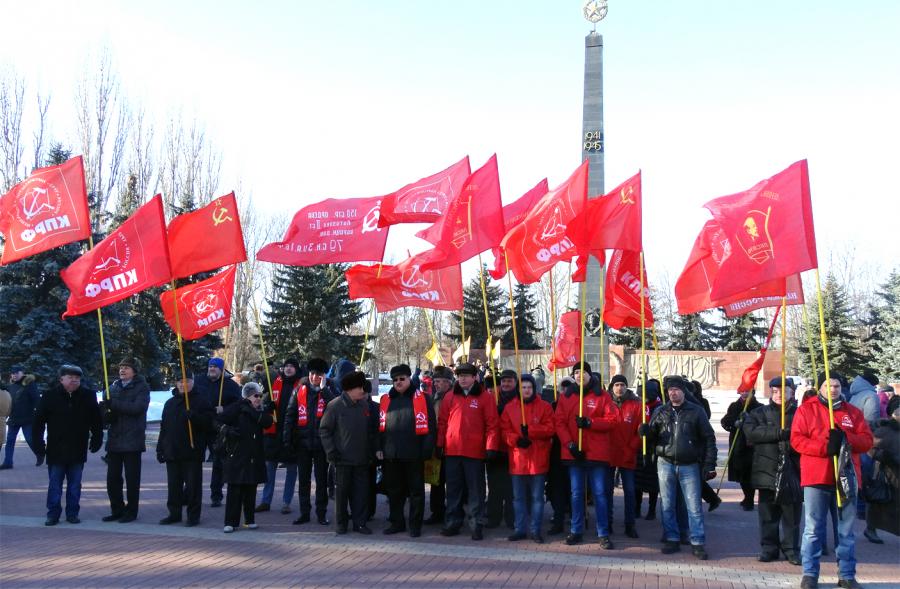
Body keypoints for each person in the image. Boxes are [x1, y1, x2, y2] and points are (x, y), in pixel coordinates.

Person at [791, 372, 873, 589]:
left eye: (836, 385)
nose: (833, 389)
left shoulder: (853, 413)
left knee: (845, 530)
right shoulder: (806, 409)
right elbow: (797, 440)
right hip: (817, 477)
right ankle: (810, 574)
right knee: (813, 529)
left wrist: (847, 439)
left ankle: (846, 574)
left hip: (845, 478)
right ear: (820, 387)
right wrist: (824, 447)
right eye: (828, 385)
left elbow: (866, 441)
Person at [639, 376, 717, 559]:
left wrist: (709, 463)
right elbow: (652, 438)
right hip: (665, 462)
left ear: (683, 391)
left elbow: (709, 438)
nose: (673, 393)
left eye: (676, 389)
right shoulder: (661, 412)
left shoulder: (696, 412)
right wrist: (646, 432)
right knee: (667, 504)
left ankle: (697, 541)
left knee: (693, 505)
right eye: (670, 390)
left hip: (689, 464)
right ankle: (671, 537)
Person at [554, 362, 618, 549]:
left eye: (583, 372)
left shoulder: (602, 396)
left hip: (596, 454)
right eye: (576, 372)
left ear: (590, 375)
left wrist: (591, 423)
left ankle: (603, 532)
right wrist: (570, 444)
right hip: (575, 454)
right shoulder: (566, 396)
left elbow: (612, 420)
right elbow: (559, 422)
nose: (580, 375)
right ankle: (576, 530)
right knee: (576, 494)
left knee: (599, 493)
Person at [31, 365, 103, 525]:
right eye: (70, 378)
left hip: (78, 448)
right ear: (61, 379)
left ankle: (72, 513)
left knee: (75, 484)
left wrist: (97, 438)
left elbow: (96, 421)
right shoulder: (50, 396)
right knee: (55, 484)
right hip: (56, 448)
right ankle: (53, 513)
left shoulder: (88, 396)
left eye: (77, 378)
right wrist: (38, 445)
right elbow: (38, 423)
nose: (74, 381)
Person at [437, 362, 500, 540]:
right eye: (459, 376)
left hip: (475, 452)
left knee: (476, 491)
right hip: (453, 451)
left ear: (474, 378)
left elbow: (492, 424)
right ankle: (453, 522)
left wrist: (491, 447)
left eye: (466, 376)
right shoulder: (450, 397)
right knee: (453, 490)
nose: (462, 379)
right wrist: (440, 444)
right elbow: (442, 423)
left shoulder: (485, 397)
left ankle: (476, 524)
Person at [743, 376, 802, 565]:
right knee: (768, 514)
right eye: (775, 391)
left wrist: (791, 440)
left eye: (783, 391)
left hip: (793, 471)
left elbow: (805, 435)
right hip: (766, 469)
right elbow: (752, 433)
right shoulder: (759, 412)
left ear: (792, 393)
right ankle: (769, 548)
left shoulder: (801, 413)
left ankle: (791, 549)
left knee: (791, 515)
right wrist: (778, 433)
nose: (779, 395)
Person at [378, 363, 436, 537]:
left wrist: (426, 449)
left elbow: (431, 427)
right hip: (392, 454)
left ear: (409, 379)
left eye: (402, 379)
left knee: (416, 492)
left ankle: (415, 524)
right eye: (395, 380)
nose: (398, 382)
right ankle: (397, 522)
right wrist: (379, 448)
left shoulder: (423, 398)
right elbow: (379, 428)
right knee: (394, 491)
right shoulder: (386, 399)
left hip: (414, 453)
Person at [320, 370, 376, 535]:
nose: (363, 390)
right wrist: (331, 452)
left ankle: (360, 523)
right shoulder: (335, 406)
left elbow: (369, 431)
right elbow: (324, 430)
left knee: (361, 494)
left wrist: (371, 451)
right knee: (341, 494)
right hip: (342, 459)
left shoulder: (364, 405)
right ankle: (341, 524)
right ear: (350, 389)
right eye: (359, 387)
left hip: (361, 459)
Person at [501, 373, 554, 543]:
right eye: (523, 387)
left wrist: (530, 431)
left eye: (529, 387)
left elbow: (550, 428)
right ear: (519, 389)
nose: (526, 390)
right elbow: (504, 431)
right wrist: (516, 440)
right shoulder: (510, 407)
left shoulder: (545, 407)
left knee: (537, 498)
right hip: (518, 460)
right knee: (518, 498)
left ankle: (535, 529)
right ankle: (520, 528)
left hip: (538, 459)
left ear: (534, 388)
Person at [157, 370, 215, 526]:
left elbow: (210, 423)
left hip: (192, 450)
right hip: (172, 450)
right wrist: (160, 448)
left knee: (193, 486)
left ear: (193, 382)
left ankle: (193, 516)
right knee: (174, 485)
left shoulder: (201, 401)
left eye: (187, 381)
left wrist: (195, 417)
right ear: (176, 383)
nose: (183, 384)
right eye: (180, 381)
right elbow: (164, 427)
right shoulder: (170, 403)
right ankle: (174, 513)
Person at [283, 357, 335, 525]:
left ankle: (321, 514)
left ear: (324, 376)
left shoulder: (329, 389)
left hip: (321, 445)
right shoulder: (300, 389)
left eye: (318, 374)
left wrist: (324, 389)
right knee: (303, 481)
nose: (314, 377)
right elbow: (290, 415)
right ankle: (304, 512)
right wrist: (287, 439)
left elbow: (336, 407)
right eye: (312, 374)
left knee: (321, 482)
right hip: (302, 443)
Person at [100, 357, 151, 523]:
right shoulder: (113, 387)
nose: (122, 370)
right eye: (121, 367)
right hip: (115, 440)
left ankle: (131, 512)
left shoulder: (142, 387)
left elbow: (138, 408)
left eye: (126, 367)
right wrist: (104, 411)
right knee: (112, 479)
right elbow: (107, 409)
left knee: (132, 479)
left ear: (134, 371)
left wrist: (113, 404)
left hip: (132, 440)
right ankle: (117, 509)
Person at [219, 382, 273, 533]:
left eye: (260, 396)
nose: (258, 398)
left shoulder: (259, 410)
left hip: (254, 456)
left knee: (251, 489)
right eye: (256, 395)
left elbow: (267, 423)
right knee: (234, 489)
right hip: (236, 454)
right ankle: (230, 521)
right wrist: (228, 430)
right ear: (248, 395)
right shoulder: (237, 407)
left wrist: (260, 411)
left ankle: (249, 520)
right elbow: (219, 421)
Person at [194, 357, 242, 508]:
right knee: (193, 461)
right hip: (200, 426)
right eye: (210, 366)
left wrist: (225, 409)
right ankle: (189, 491)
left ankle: (216, 495)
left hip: (218, 427)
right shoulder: (199, 381)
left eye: (215, 367)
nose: (212, 369)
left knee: (219, 462)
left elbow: (238, 404)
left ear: (221, 370)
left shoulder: (230, 385)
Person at [258, 358, 302, 515]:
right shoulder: (275, 383)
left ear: (297, 369)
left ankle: (286, 502)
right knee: (270, 467)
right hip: (274, 432)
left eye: (292, 366)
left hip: (292, 434)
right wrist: (268, 405)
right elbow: (265, 402)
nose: (288, 369)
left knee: (291, 469)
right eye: (286, 366)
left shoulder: (301, 385)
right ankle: (265, 500)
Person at [606, 374, 642, 538]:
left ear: (627, 387)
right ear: (612, 387)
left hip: (628, 453)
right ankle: (607, 522)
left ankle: (630, 524)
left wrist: (632, 447)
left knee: (629, 490)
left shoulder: (636, 405)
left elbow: (640, 431)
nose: (619, 388)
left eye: (622, 385)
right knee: (607, 491)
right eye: (616, 385)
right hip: (609, 453)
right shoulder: (605, 404)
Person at [486, 369, 518, 529]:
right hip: (495, 448)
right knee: (494, 486)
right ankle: (494, 516)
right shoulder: (493, 399)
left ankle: (511, 518)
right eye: (503, 381)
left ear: (515, 382)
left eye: (509, 381)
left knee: (511, 488)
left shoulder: (519, 400)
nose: (505, 384)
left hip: (512, 450)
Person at [721, 388, 762, 510]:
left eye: (747, 391)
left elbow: (762, 423)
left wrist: (749, 421)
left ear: (752, 393)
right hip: (738, 444)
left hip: (753, 446)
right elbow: (725, 421)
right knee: (741, 473)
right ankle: (747, 496)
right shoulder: (734, 406)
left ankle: (749, 499)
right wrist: (735, 423)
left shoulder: (759, 407)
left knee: (750, 474)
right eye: (742, 391)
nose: (744, 393)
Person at [425, 365, 454, 525]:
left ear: (449, 382)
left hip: (450, 445)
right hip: (435, 444)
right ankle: (436, 512)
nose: (436, 384)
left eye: (440, 381)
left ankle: (452, 512)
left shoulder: (454, 398)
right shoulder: (432, 398)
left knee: (451, 482)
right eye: (435, 381)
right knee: (435, 481)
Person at [864, 407, 899, 541]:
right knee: (880, 502)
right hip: (886, 473)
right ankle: (870, 528)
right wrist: (886, 457)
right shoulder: (884, 431)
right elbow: (871, 448)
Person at [1, 365, 42, 469]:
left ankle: (40, 454)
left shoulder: (30, 384)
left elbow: (36, 399)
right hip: (14, 418)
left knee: (29, 439)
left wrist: (39, 413)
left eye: (16, 373)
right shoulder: (11, 386)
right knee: (10, 441)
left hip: (27, 418)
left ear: (22, 373)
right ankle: (8, 462)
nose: (14, 375)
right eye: (12, 373)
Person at [634, 379, 663, 521]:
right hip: (638, 447)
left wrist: (651, 432)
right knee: (637, 482)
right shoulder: (638, 406)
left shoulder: (659, 407)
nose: (642, 398)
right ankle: (637, 508)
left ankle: (652, 510)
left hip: (653, 449)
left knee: (652, 483)